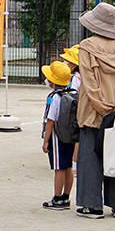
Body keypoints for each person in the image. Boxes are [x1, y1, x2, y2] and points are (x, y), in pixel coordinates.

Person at [74, 2, 115, 219]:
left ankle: (92, 205)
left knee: (90, 157)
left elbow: (90, 83)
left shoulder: (87, 46)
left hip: (93, 112)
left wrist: (101, 108)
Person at [41, 61, 76, 210]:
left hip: (57, 136)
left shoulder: (53, 97)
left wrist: (46, 140)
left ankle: (57, 198)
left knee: (59, 168)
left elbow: (50, 120)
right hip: (71, 135)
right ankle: (66, 197)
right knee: (68, 167)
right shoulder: (73, 93)